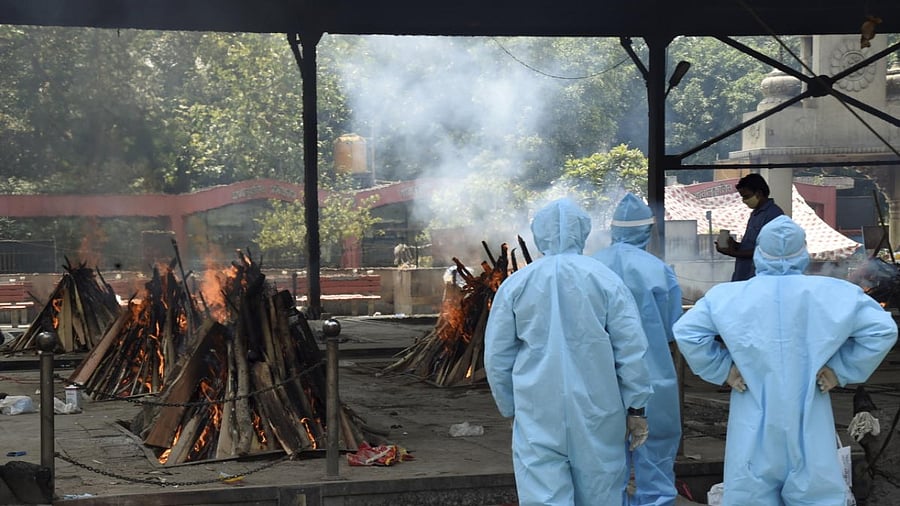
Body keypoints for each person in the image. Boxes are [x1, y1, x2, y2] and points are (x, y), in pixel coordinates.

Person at [674, 215, 898, 505]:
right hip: (810, 418)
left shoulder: (727, 297)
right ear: (803, 251)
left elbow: (687, 332)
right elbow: (882, 329)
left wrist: (724, 370)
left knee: (749, 496)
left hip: (753, 421)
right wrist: (839, 370)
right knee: (817, 498)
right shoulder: (836, 294)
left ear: (758, 252)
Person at [484, 198, 653, 506]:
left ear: (539, 234)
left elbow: (497, 357)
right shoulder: (605, 279)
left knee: (543, 496)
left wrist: (509, 407)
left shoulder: (516, 284)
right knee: (602, 493)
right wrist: (636, 408)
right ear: (583, 232)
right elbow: (631, 350)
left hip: (537, 411)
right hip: (599, 411)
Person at [593, 193, 683, 506]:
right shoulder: (658, 271)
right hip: (653, 374)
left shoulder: (591, 268)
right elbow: (674, 328)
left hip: (599, 378)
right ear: (647, 231)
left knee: (604, 461)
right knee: (655, 451)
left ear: (613, 230)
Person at [715, 173, 784, 281]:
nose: (744, 200)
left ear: (759, 193)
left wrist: (734, 253)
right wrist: (735, 245)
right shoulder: (755, 214)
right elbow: (751, 245)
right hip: (743, 273)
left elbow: (768, 251)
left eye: (746, 196)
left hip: (758, 277)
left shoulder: (774, 215)